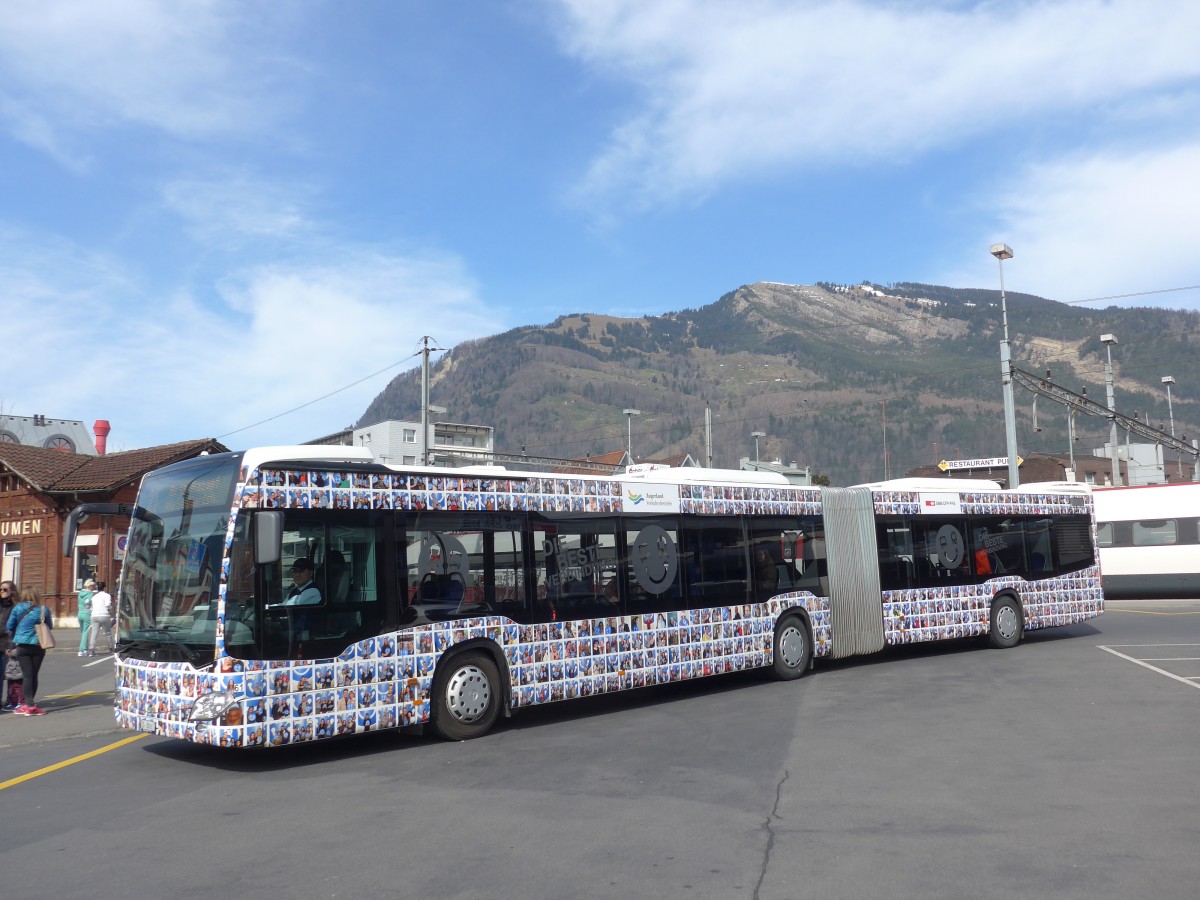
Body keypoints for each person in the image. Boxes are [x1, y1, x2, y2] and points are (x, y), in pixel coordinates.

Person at [5, 585, 53, 716]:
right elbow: (50, 626)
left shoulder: (18, 608)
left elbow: (9, 626)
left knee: (27, 675)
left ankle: (27, 704)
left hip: (21, 645)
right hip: (38, 645)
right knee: (34, 674)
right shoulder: (43, 609)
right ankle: (31, 705)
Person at [0, 579, 15, 711]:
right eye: (1, 589)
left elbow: (11, 627)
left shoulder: (13, 607)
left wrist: (10, 646)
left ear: (12, 592)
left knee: (7, 674)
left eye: (5, 589)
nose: (2, 592)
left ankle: (11, 700)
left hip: (6, 644)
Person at [88, 580, 115, 655]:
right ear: (104, 588)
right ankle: (111, 649)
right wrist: (110, 610)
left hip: (94, 615)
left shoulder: (94, 597)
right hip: (104, 615)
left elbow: (91, 608)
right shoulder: (107, 595)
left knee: (94, 633)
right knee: (108, 633)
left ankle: (91, 650)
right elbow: (108, 605)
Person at [77, 578, 96, 656]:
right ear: (90, 586)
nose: (94, 587)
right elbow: (89, 603)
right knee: (85, 632)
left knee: (83, 633)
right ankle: (81, 650)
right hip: (87, 613)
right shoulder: (90, 594)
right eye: (93, 586)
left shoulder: (80, 593)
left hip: (80, 613)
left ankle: (85, 649)